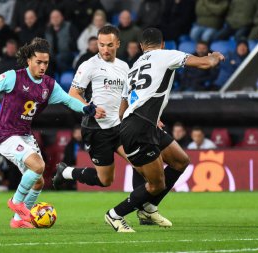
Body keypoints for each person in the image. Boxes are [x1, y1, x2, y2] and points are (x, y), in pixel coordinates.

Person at [0, 38, 105, 229]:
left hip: (24, 135)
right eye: (39, 62)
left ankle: (18, 220)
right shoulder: (14, 77)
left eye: (46, 63)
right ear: (29, 60)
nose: (43, 66)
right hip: (6, 134)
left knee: (38, 181)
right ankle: (16, 202)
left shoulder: (49, 86)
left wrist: (86, 109)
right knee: (38, 165)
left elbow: (69, 101)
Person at [104, 28, 224, 232]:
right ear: (163, 44)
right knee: (156, 184)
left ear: (142, 47)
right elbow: (206, 63)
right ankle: (115, 214)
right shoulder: (166, 55)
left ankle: (149, 208)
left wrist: (144, 119)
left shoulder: (134, 67)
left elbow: (123, 107)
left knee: (180, 161)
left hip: (139, 123)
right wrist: (214, 56)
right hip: (140, 127)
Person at [53, 25, 171, 227]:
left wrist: (152, 117)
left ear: (118, 43)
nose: (105, 49)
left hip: (120, 127)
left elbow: (133, 96)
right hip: (96, 129)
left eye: (109, 45)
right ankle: (66, 173)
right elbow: (73, 94)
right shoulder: (89, 65)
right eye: (101, 45)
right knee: (105, 180)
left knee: (141, 166)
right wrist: (90, 108)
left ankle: (143, 211)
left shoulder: (125, 67)